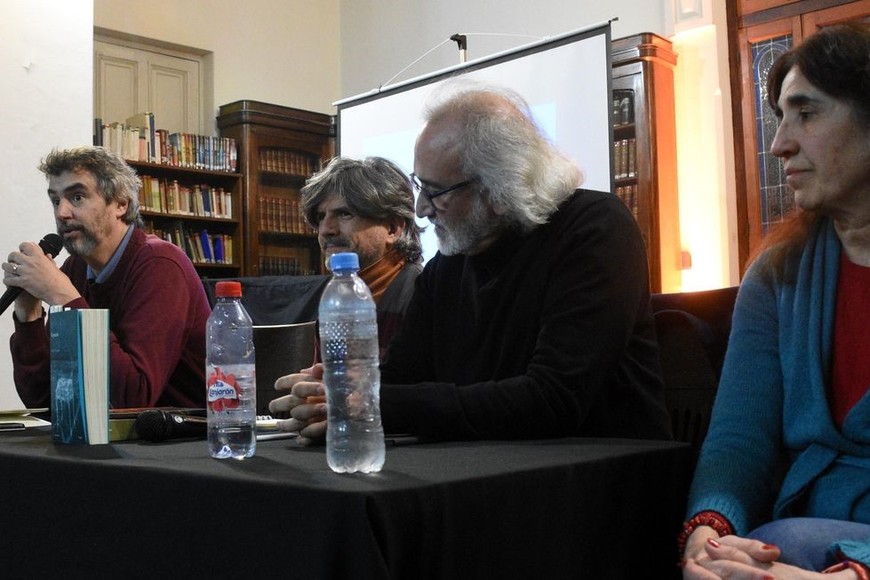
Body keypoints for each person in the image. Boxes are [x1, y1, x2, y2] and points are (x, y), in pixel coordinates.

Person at [269, 82, 672, 443]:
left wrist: (371, 403)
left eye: (436, 191)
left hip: (602, 473)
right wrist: (339, 392)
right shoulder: (450, 263)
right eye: (420, 186)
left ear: (500, 188)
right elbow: (401, 379)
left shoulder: (595, 229)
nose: (421, 208)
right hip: (489, 469)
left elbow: (553, 399)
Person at [680, 23, 870, 579]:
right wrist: (709, 535)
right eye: (780, 118)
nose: (780, 143)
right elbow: (740, 439)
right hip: (798, 543)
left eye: (806, 113)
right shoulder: (777, 274)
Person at [4, 146, 210, 409]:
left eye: (77, 197)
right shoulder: (75, 269)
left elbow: (134, 396)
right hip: (115, 432)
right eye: (55, 200)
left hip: (185, 432)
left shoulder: (160, 265)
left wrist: (63, 297)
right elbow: (45, 400)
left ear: (121, 204)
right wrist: (29, 315)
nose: (61, 213)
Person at [299, 155, 423, 359]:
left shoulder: (423, 297)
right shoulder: (336, 298)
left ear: (392, 228)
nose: (325, 230)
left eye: (344, 214)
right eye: (321, 217)